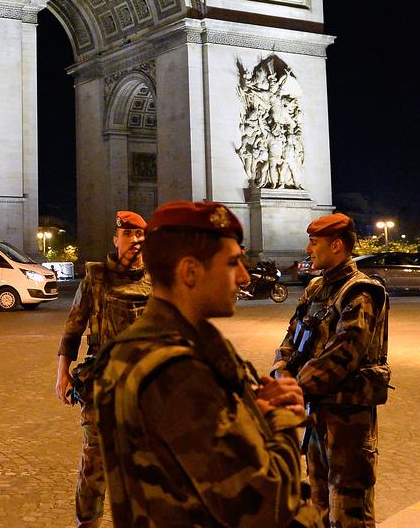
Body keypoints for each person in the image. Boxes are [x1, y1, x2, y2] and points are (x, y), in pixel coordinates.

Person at [92, 201, 322, 527]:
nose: (244, 277)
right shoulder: (177, 372)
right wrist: (280, 420)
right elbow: (264, 510)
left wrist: (251, 416)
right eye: (232, 263)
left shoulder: (139, 348)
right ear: (190, 272)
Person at [272, 213, 390, 527]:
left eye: (314, 243)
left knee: (349, 506)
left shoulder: (359, 292)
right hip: (317, 413)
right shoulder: (315, 289)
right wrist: (281, 373)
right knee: (318, 502)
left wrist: (292, 390)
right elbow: (291, 340)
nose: (308, 250)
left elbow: (343, 355)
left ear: (336, 245)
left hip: (347, 418)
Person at [54, 211, 151, 527]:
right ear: (116, 239)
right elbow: (73, 329)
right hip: (103, 387)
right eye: (127, 234)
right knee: (94, 468)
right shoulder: (95, 278)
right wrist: (62, 374)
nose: (134, 240)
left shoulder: (159, 281)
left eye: (139, 235)